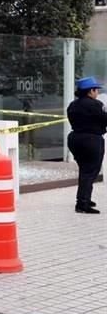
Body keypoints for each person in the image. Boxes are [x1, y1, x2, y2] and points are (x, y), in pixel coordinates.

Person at [66, 76, 107, 214]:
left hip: (75, 139)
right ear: (90, 91)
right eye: (96, 90)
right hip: (92, 140)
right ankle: (82, 204)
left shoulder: (73, 105)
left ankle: (84, 198)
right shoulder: (96, 105)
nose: (98, 93)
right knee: (90, 172)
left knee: (84, 170)